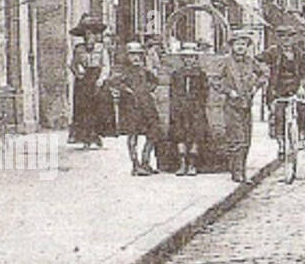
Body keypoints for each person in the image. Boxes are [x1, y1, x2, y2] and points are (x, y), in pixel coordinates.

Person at [260, 27, 305, 161]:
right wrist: (264, 69)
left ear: (293, 39)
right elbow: (258, 59)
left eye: (289, 37)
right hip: (277, 88)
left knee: (303, 109)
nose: (286, 40)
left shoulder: (299, 53)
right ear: (278, 39)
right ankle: (281, 143)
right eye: (282, 37)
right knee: (278, 115)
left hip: (295, 86)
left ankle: (301, 136)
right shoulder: (272, 52)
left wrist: (302, 86)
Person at [220, 32, 264, 182]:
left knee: (246, 140)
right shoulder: (226, 62)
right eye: (238, 44)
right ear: (232, 46)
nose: (240, 47)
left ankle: (242, 171)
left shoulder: (251, 62)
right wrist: (228, 91)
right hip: (231, 105)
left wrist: (255, 86)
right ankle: (236, 172)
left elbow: (264, 74)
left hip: (246, 104)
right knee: (236, 139)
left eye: (243, 44)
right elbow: (215, 80)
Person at [109, 41, 158, 176]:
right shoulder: (123, 71)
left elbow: (155, 80)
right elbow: (113, 82)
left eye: (138, 55)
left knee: (153, 132)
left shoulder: (144, 70)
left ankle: (145, 161)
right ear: (127, 56)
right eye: (132, 55)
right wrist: (126, 90)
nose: (135, 58)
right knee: (133, 135)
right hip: (131, 106)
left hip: (146, 105)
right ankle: (135, 165)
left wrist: (148, 90)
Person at [68, 14, 112, 149]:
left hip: (97, 79)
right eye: (87, 34)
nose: (89, 37)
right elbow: (73, 64)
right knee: (83, 109)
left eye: (92, 34)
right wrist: (78, 73)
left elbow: (106, 66)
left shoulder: (101, 49)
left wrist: (101, 79)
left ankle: (97, 135)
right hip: (83, 81)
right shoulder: (79, 49)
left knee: (99, 108)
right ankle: (85, 137)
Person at [168, 46, 210, 175]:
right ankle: (182, 164)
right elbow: (172, 91)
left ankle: (192, 165)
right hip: (180, 108)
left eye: (191, 57)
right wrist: (176, 105)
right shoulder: (176, 74)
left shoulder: (200, 74)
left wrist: (199, 104)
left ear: (195, 59)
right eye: (186, 57)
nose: (189, 60)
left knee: (196, 134)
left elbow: (205, 91)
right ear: (182, 59)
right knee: (179, 134)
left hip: (195, 108)